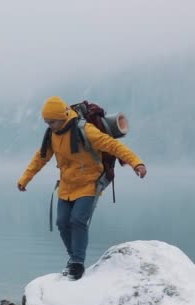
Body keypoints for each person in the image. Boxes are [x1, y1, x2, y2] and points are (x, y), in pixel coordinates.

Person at [17, 96, 147, 280]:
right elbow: (41, 157)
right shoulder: (52, 135)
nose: (49, 125)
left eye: (51, 121)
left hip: (89, 183)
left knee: (78, 220)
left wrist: (136, 163)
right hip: (66, 185)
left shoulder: (85, 130)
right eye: (47, 122)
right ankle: (73, 259)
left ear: (61, 118)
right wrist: (25, 179)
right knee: (62, 223)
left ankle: (77, 263)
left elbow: (113, 145)